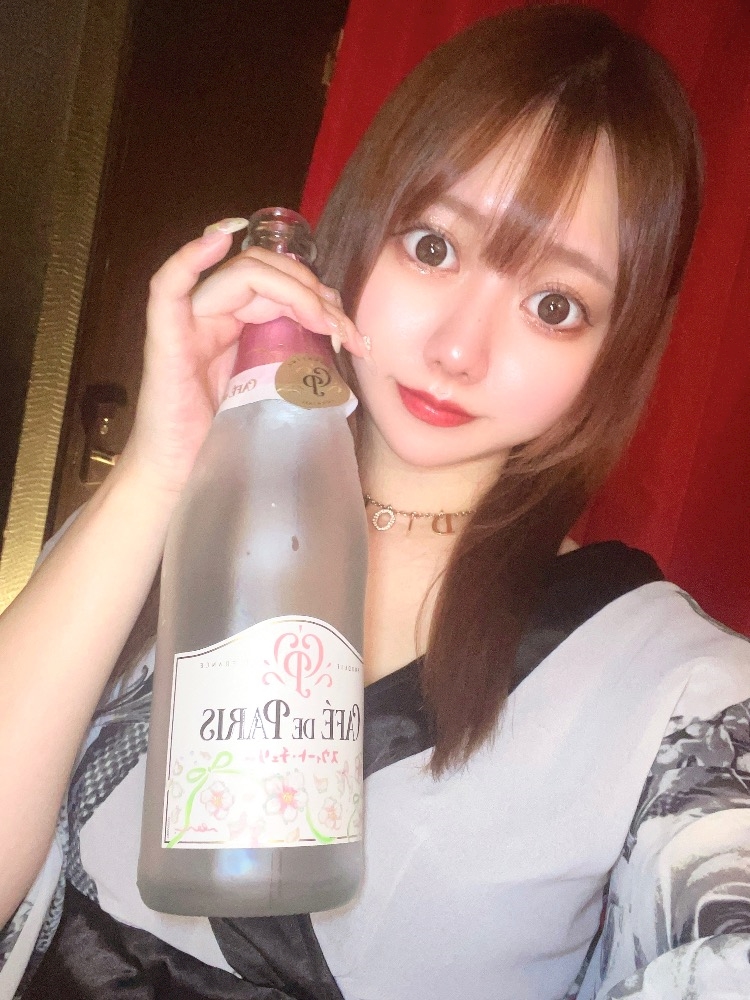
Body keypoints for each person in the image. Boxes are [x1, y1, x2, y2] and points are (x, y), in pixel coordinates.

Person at [1, 4, 749, 998]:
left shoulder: (681, 694)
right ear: (360, 229)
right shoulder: (166, 524)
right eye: (433, 248)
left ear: (617, 349)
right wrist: (159, 468)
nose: (459, 348)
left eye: (555, 305)